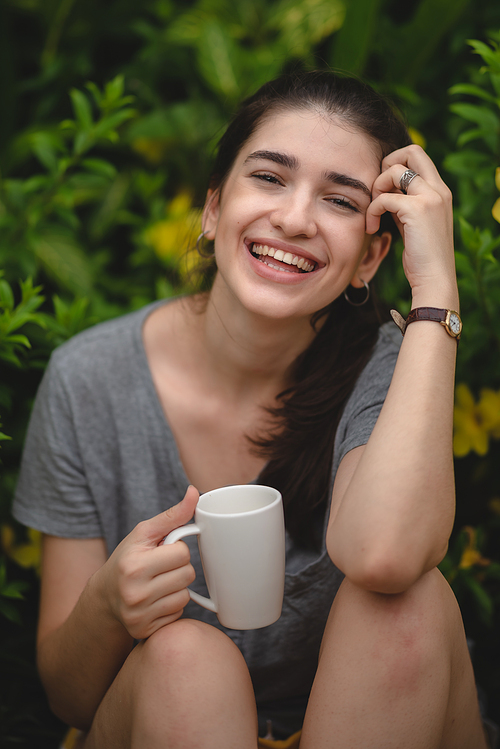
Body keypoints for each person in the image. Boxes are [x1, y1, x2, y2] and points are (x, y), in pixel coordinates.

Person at [12, 70, 490, 749]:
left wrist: (436, 293)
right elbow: (69, 695)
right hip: (169, 722)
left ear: (370, 255)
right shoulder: (90, 379)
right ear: (212, 209)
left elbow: (384, 554)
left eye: (340, 200)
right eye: (269, 177)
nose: (295, 218)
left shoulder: (388, 364)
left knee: (404, 604)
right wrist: (109, 604)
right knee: (186, 658)